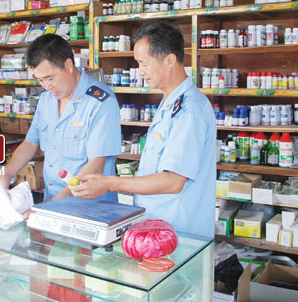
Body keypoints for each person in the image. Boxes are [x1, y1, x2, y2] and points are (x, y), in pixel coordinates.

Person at [70, 21, 217, 238]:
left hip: (179, 233)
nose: (140, 72)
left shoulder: (189, 110)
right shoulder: (169, 101)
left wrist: (109, 183)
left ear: (169, 60)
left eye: (144, 64)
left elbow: (173, 181)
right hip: (158, 225)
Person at [0, 34, 121, 202]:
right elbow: (30, 143)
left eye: (50, 78)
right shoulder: (46, 99)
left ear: (68, 65)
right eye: (40, 80)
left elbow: (96, 164)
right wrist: (6, 174)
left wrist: (52, 205)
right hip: (52, 198)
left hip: (89, 205)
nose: (46, 86)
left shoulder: (101, 102)